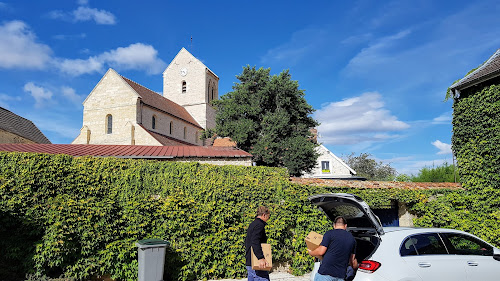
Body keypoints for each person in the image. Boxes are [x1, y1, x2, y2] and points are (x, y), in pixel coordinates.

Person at [308, 216, 358, 281]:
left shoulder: (329, 234)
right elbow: (352, 261)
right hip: (340, 276)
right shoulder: (352, 239)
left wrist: (311, 253)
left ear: (334, 225)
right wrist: (356, 269)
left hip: (325, 274)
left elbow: (321, 251)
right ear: (345, 226)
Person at [245, 206, 271, 281]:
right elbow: (255, 241)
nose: (268, 219)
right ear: (264, 215)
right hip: (257, 263)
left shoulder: (253, 224)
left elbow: (248, 241)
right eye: (268, 216)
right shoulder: (259, 225)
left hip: (250, 262)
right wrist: (260, 258)